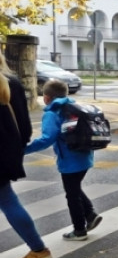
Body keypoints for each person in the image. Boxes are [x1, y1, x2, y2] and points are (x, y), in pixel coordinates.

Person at [25, 79, 102, 240]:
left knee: (71, 194)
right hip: (85, 155)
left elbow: (47, 138)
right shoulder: (72, 107)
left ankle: (79, 230)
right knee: (75, 188)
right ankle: (90, 214)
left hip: (69, 160)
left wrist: (24, 149)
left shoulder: (52, 113)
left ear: (46, 97)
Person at [0, 51, 53, 258]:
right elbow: (25, 125)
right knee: (7, 199)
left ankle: (38, 248)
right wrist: (17, 147)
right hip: (7, 152)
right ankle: (37, 248)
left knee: (7, 200)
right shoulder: (12, 83)